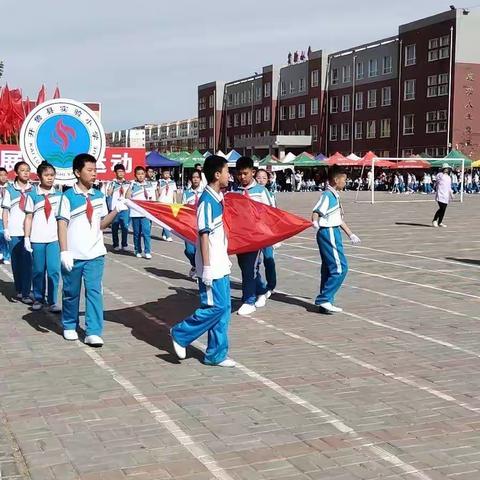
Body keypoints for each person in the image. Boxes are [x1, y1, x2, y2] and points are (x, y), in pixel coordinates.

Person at [57, 153, 128, 346]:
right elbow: (62, 225)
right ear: (77, 172)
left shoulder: (98, 196)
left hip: (95, 253)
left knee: (94, 291)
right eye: (89, 170)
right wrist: (64, 251)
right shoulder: (67, 197)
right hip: (74, 254)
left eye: (95, 170)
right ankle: (70, 325)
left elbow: (101, 224)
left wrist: (116, 210)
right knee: (71, 292)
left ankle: (93, 331)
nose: (94, 174)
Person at [170, 155, 235, 367]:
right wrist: (206, 267)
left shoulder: (218, 198)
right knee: (213, 308)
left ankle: (216, 354)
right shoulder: (206, 202)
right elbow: (204, 235)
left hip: (220, 262)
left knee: (224, 308)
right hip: (211, 266)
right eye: (226, 171)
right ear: (217, 175)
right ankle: (180, 333)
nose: (229, 175)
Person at [312, 166, 361, 314]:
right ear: (336, 180)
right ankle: (324, 298)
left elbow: (338, 219)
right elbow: (316, 211)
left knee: (328, 268)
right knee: (340, 268)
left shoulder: (335, 195)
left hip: (334, 231)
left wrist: (350, 234)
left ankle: (325, 303)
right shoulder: (328, 195)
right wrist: (315, 222)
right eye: (344, 179)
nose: (345, 182)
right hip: (329, 232)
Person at [233, 157, 273, 316]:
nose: (242, 177)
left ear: (253, 172)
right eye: (239, 174)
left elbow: (272, 212)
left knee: (250, 267)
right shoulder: (235, 191)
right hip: (240, 237)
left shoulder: (261, 191)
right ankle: (261, 290)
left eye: (245, 173)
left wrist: (268, 235)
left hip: (256, 236)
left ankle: (248, 300)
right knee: (245, 267)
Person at [23, 162, 62, 312]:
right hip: (37, 239)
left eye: (52, 175)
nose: (50, 178)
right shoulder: (32, 195)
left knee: (53, 270)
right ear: (39, 176)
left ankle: (52, 301)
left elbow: (62, 220)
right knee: (38, 270)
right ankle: (39, 298)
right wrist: (26, 237)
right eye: (46, 175)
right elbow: (28, 217)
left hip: (54, 239)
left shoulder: (59, 195)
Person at [1, 161, 33, 303]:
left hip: (30, 232)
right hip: (14, 231)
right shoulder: (10, 190)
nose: (26, 173)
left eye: (28, 170)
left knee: (28, 262)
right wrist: (6, 228)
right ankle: (19, 290)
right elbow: (6, 211)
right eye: (22, 170)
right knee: (16, 262)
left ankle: (26, 292)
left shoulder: (34, 190)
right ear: (16, 173)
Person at [254, 169, 277, 296]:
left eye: (264, 178)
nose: (261, 180)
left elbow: (272, 212)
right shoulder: (250, 191)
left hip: (266, 231)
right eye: (259, 177)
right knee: (255, 261)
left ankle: (271, 285)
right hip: (254, 232)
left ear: (268, 180)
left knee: (269, 258)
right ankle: (259, 285)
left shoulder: (268, 193)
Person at [126, 166, 153, 259]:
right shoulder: (133, 185)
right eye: (138, 174)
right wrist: (130, 186)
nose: (140, 176)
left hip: (145, 213)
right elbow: (127, 196)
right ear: (135, 175)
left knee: (146, 233)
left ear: (145, 174)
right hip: (135, 213)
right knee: (137, 233)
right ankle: (137, 250)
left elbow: (152, 199)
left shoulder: (149, 185)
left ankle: (147, 251)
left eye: (142, 174)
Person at [182, 170, 203, 277]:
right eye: (193, 177)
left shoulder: (205, 192)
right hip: (189, 225)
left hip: (201, 225)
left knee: (201, 251)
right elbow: (182, 208)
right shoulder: (186, 193)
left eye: (197, 177)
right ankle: (195, 265)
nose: (195, 179)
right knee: (190, 251)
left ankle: (200, 272)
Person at [107, 164, 130, 251]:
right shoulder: (112, 183)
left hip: (124, 208)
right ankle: (115, 244)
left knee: (125, 227)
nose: (121, 173)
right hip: (115, 208)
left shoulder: (128, 183)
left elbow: (128, 195)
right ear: (115, 173)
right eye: (119, 171)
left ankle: (124, 244)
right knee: (115, 227)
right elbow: (109, 194)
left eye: (122, 171)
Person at [157, 169, 177, 241]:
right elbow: (158, 192)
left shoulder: (172, 182)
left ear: (170, 174)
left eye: (167, 173)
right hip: (162, 201)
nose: (166, 175)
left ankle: (164, 233)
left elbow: (174, 192)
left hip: (170, 202)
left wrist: (175, 201)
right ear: (162, 174)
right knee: (164, 219)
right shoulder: (160, 181)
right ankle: (168, 235)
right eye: (165, 173)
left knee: (168, 220)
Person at [432, 163, 453, 228]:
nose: (446, 170)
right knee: (442, 208)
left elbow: (449, 187)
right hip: (440, 193)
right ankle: (434, 220)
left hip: (446, 195)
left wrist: (451, 194)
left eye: (447, 168)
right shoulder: (440, 175)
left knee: (444, 209)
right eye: (445, 168)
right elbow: (437, 181)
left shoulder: (449, 177)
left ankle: (440, 222)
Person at [0, 167, 11, 265]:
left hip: (7, 217)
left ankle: (6, 256)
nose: (3, 177)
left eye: (4, 175)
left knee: (5, 237)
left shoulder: (11, 188)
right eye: (1, 175)